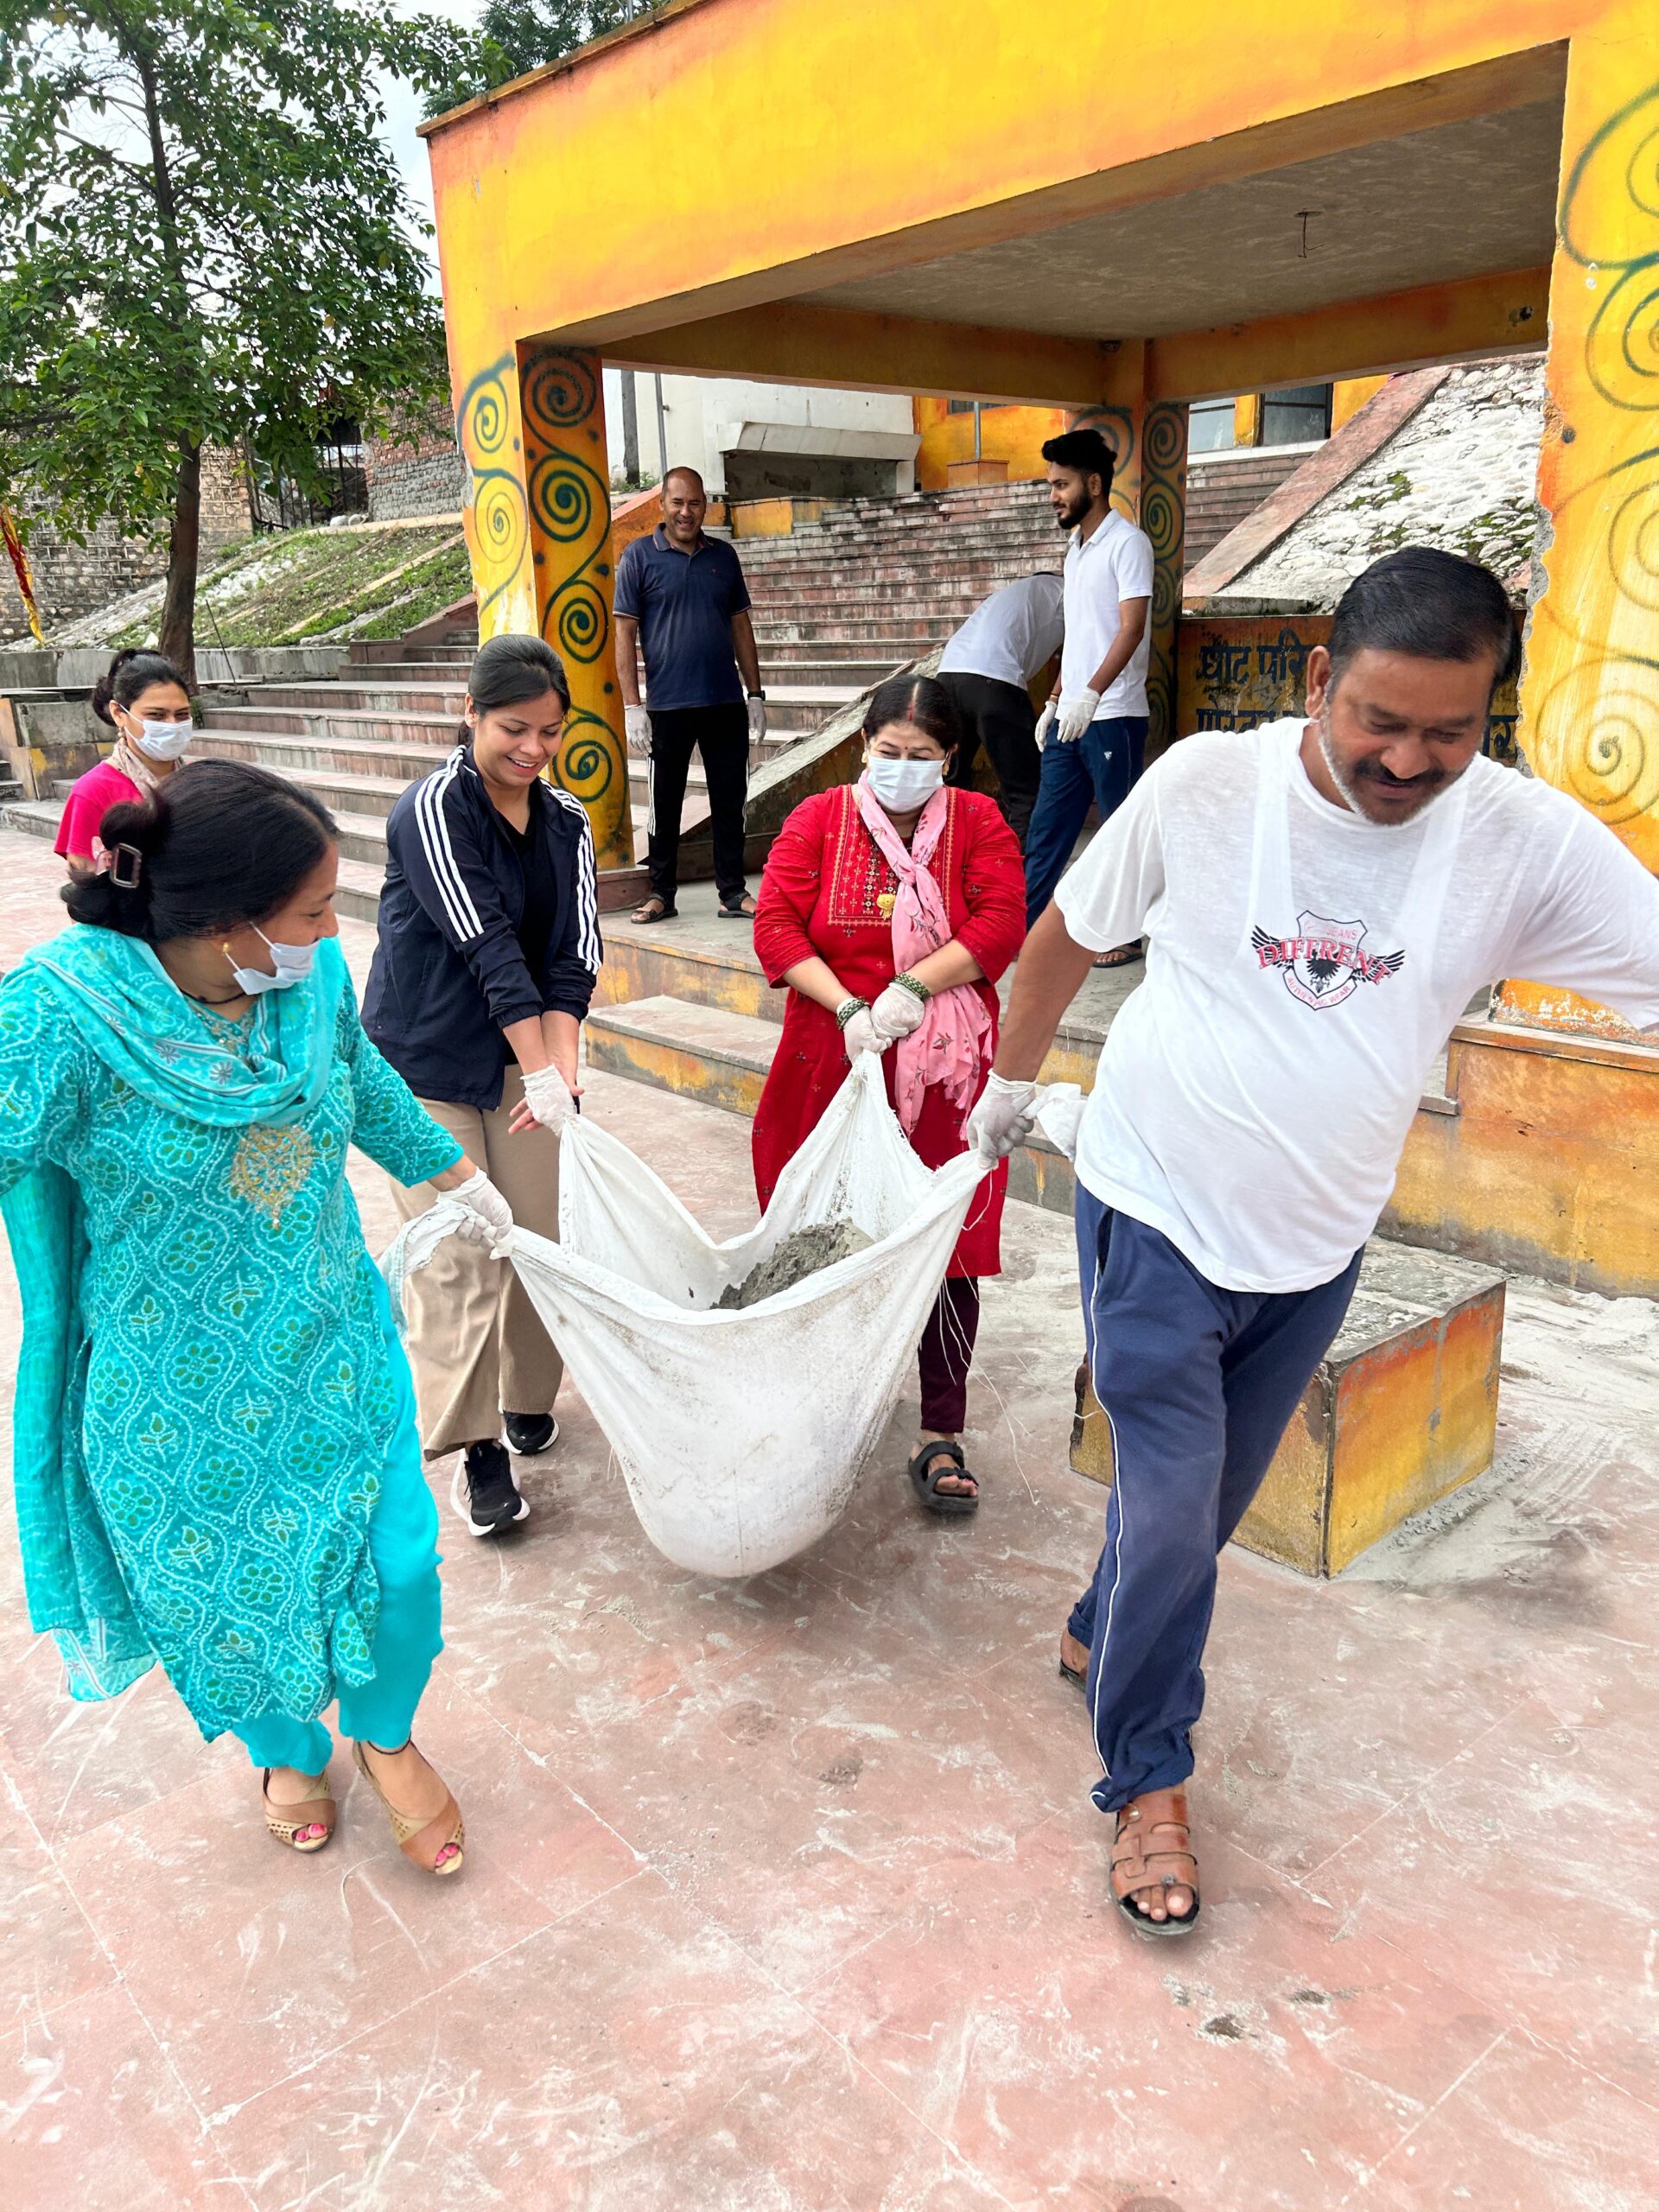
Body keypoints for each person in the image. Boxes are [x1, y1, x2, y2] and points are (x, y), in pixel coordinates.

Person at [969, 546, 1659, 1938]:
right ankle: (1147, 1778)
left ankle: (1105, 1622)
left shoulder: (1518, 840)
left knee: (1200, 1514)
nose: (1408, 761)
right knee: (1174, 1503)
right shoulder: (1204, 788)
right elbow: (1062, 939)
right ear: (1318, 680)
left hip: (1315, 1244)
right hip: (1154, 1202)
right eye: (1380, 723)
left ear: (1492, 719)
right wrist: (999, 1092)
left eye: (1449, 734)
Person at [0, 761, 514, 1876]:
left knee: (402, 1566)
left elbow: (359, 1075)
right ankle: (285, 1749)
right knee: (229, 1606)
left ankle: (384, 1737)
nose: (332, 931)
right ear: (227, 924)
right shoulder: (60, 1016)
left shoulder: (307, 976)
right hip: (173, 1399)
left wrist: (457, 1178)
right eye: (315, 910)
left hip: (332, 1342)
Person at [752, 674, 1026, 1512]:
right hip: (830, 1061)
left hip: (945, 1072)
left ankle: (941, 1428)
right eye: (887, 753)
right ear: (864, 747)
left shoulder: (976, 823)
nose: (901, 769)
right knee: (827, 1237)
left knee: (951, 1247)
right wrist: (847, 1007)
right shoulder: (819, 820)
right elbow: (775, 923)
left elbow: (1001, 922)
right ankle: (825, 1410)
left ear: (951, 759)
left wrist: (911, 986)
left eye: (922, 757)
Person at [365, 635, 599, 1539]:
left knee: (538, 1237)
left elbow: (571, 957)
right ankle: (477, 1451)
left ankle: (526, 1397)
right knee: (460, 1245)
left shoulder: (567, 821)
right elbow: (486, 943)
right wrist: (539, 1066)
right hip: (422, 1063)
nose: (532, 749)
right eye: (513, 729)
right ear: (470, 714)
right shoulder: (430, 808)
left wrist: (560, 1076)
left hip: (521, 1057)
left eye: (549, 730)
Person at [1021, 427, 1153, 969]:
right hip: (1071, 717)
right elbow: (1080, 635)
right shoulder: (1075, 550)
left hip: (1112, 715)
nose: (1053, 495)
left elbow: (1131, 628)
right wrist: (1055, 699)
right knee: (1047, 828)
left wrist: (1092, 695)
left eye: (1061, 485)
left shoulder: (1128, 544)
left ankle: (1124, 934)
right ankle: (1025, 930)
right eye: (1051, 485)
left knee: (1116, 832)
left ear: (1093, 484)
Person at [616, 465, 766, 925]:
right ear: (661, 504)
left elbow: (741, 627)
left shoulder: (724, 557)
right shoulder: (639, 557)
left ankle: (733, 891)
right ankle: (661, 892)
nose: (687, 511)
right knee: (665, 804)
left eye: (695, 502)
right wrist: (632, 706)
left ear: (706, 505)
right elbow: (623, 634)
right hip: (666, 707)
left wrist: (755, 693)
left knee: (730, 799)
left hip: (724, 703)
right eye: (678, 502)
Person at [938, 571, 1064, 849]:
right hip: (995, 681)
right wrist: (1055, 699)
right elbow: (1083, 651)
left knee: (951, 780)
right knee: (1025, 788)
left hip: (947, 676)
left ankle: (952, 856)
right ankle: (1017, 868)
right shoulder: (1068, 592)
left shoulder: (1017, 592)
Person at [57, 648, 194, 875]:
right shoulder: (92, 791)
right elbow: (87, 889)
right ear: (119, 714)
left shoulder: (196, 781)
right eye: (156, 716)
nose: (171, 725)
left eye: (181, 715)